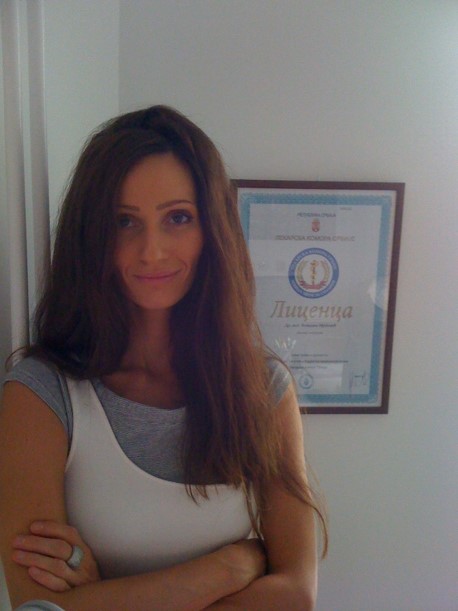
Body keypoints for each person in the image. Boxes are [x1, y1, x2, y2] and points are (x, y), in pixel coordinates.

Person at [0, 105, 327, 610]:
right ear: (92, 237)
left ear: (212, 229)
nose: (152, 251)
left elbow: (296, 596)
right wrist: (229, 568)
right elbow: (36, 607)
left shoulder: (264, 389)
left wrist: (101, 598)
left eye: (178, 218)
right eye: (124, 221)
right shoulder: (40, 394)